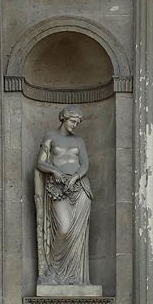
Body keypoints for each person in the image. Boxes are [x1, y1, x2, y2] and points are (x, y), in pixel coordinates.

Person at [35, 107, 92, 287]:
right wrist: (54, 171)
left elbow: (85, 164)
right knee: (64, 228)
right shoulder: (50, 136)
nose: (75, 125)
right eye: (72, 121)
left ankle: (74, 276)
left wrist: (76, 177)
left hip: (79, 188)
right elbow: (40, 162)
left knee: (77, 235)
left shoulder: (79, 141)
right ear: (63, 118)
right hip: (57, 187)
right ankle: (54, 269)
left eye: (77, 122)